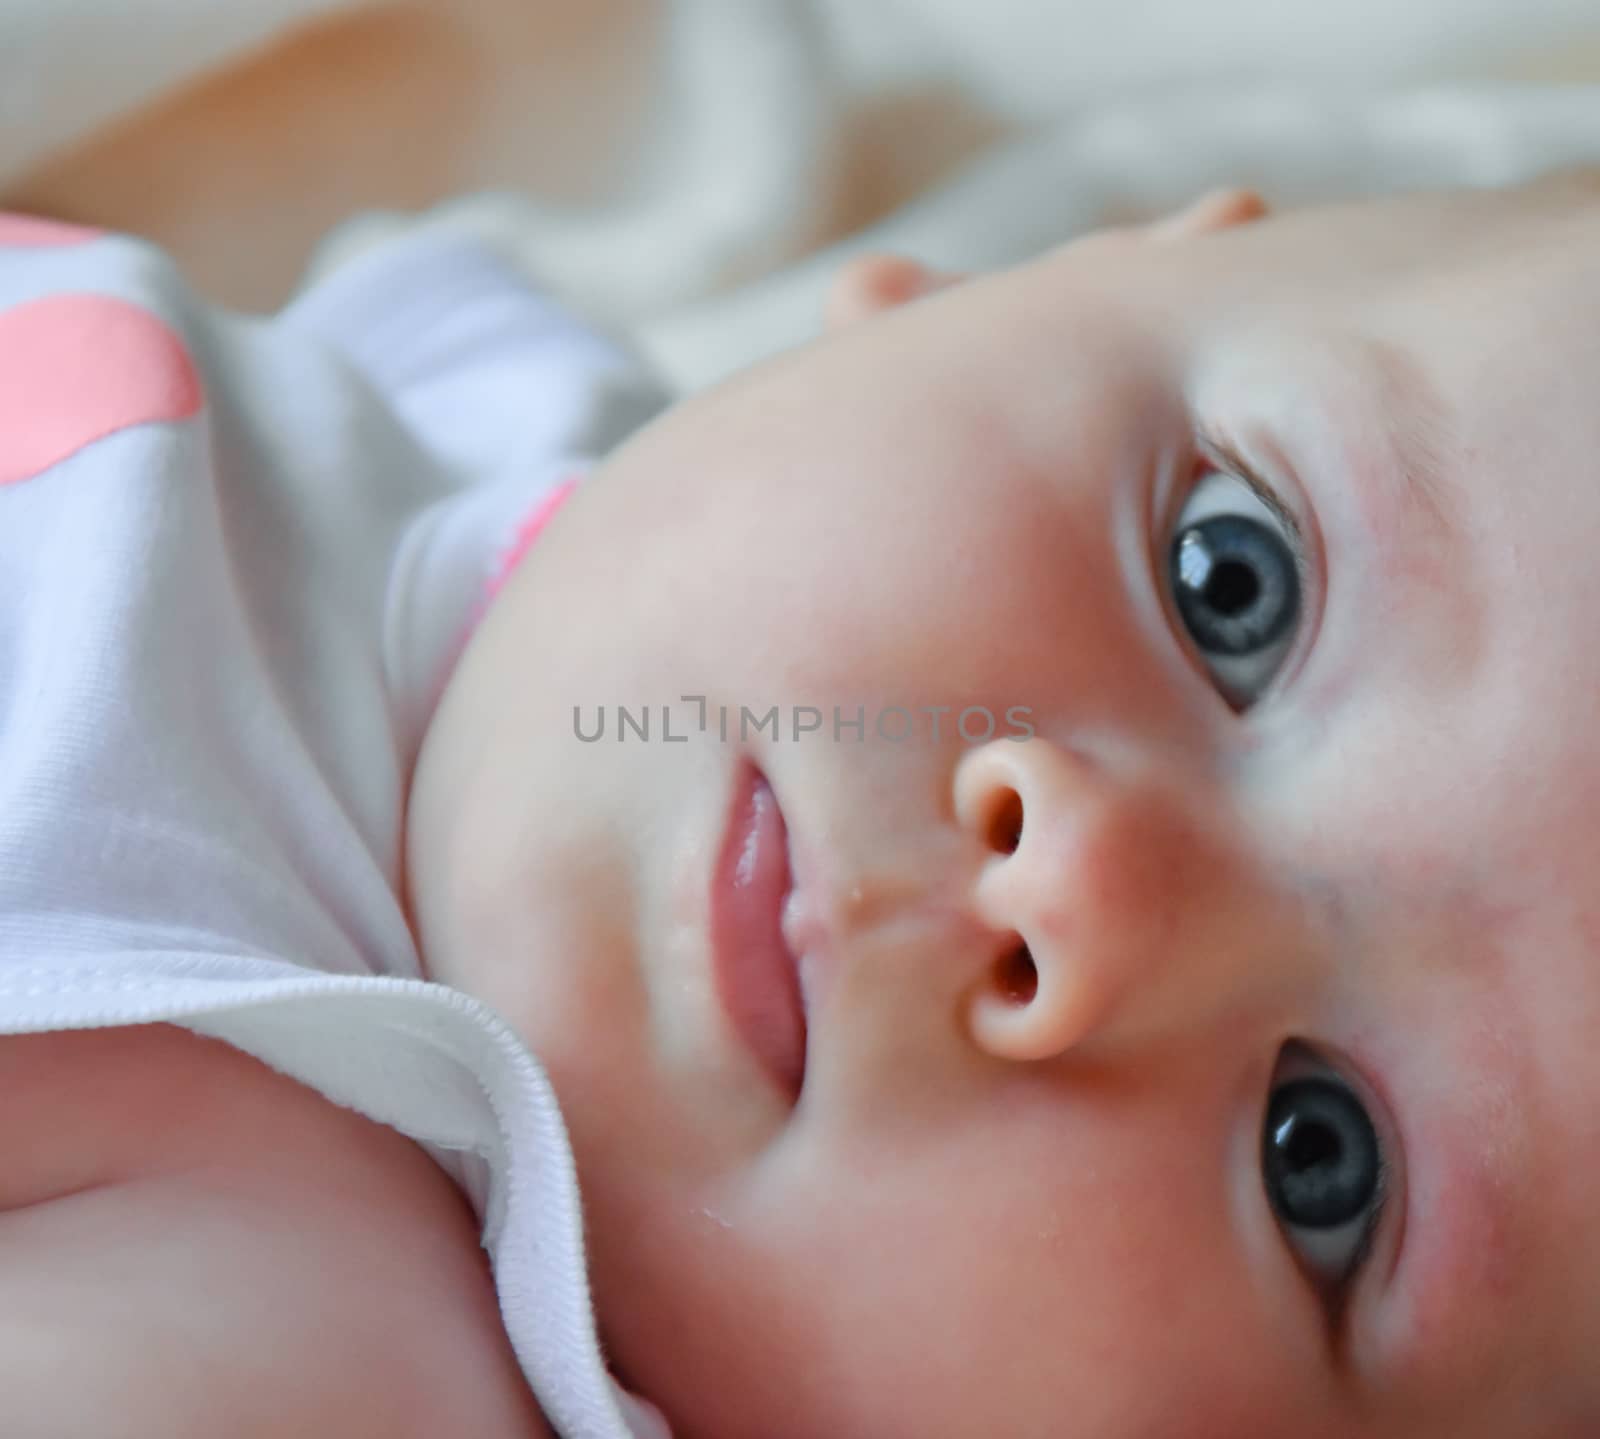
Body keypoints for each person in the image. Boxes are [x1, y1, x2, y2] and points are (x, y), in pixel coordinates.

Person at [4, 171, 1600, 1437]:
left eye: (1319, 1161)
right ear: (1006, 289)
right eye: (1231, 581)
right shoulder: (481, 378)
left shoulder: (289, 1351)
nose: (1080, 888)